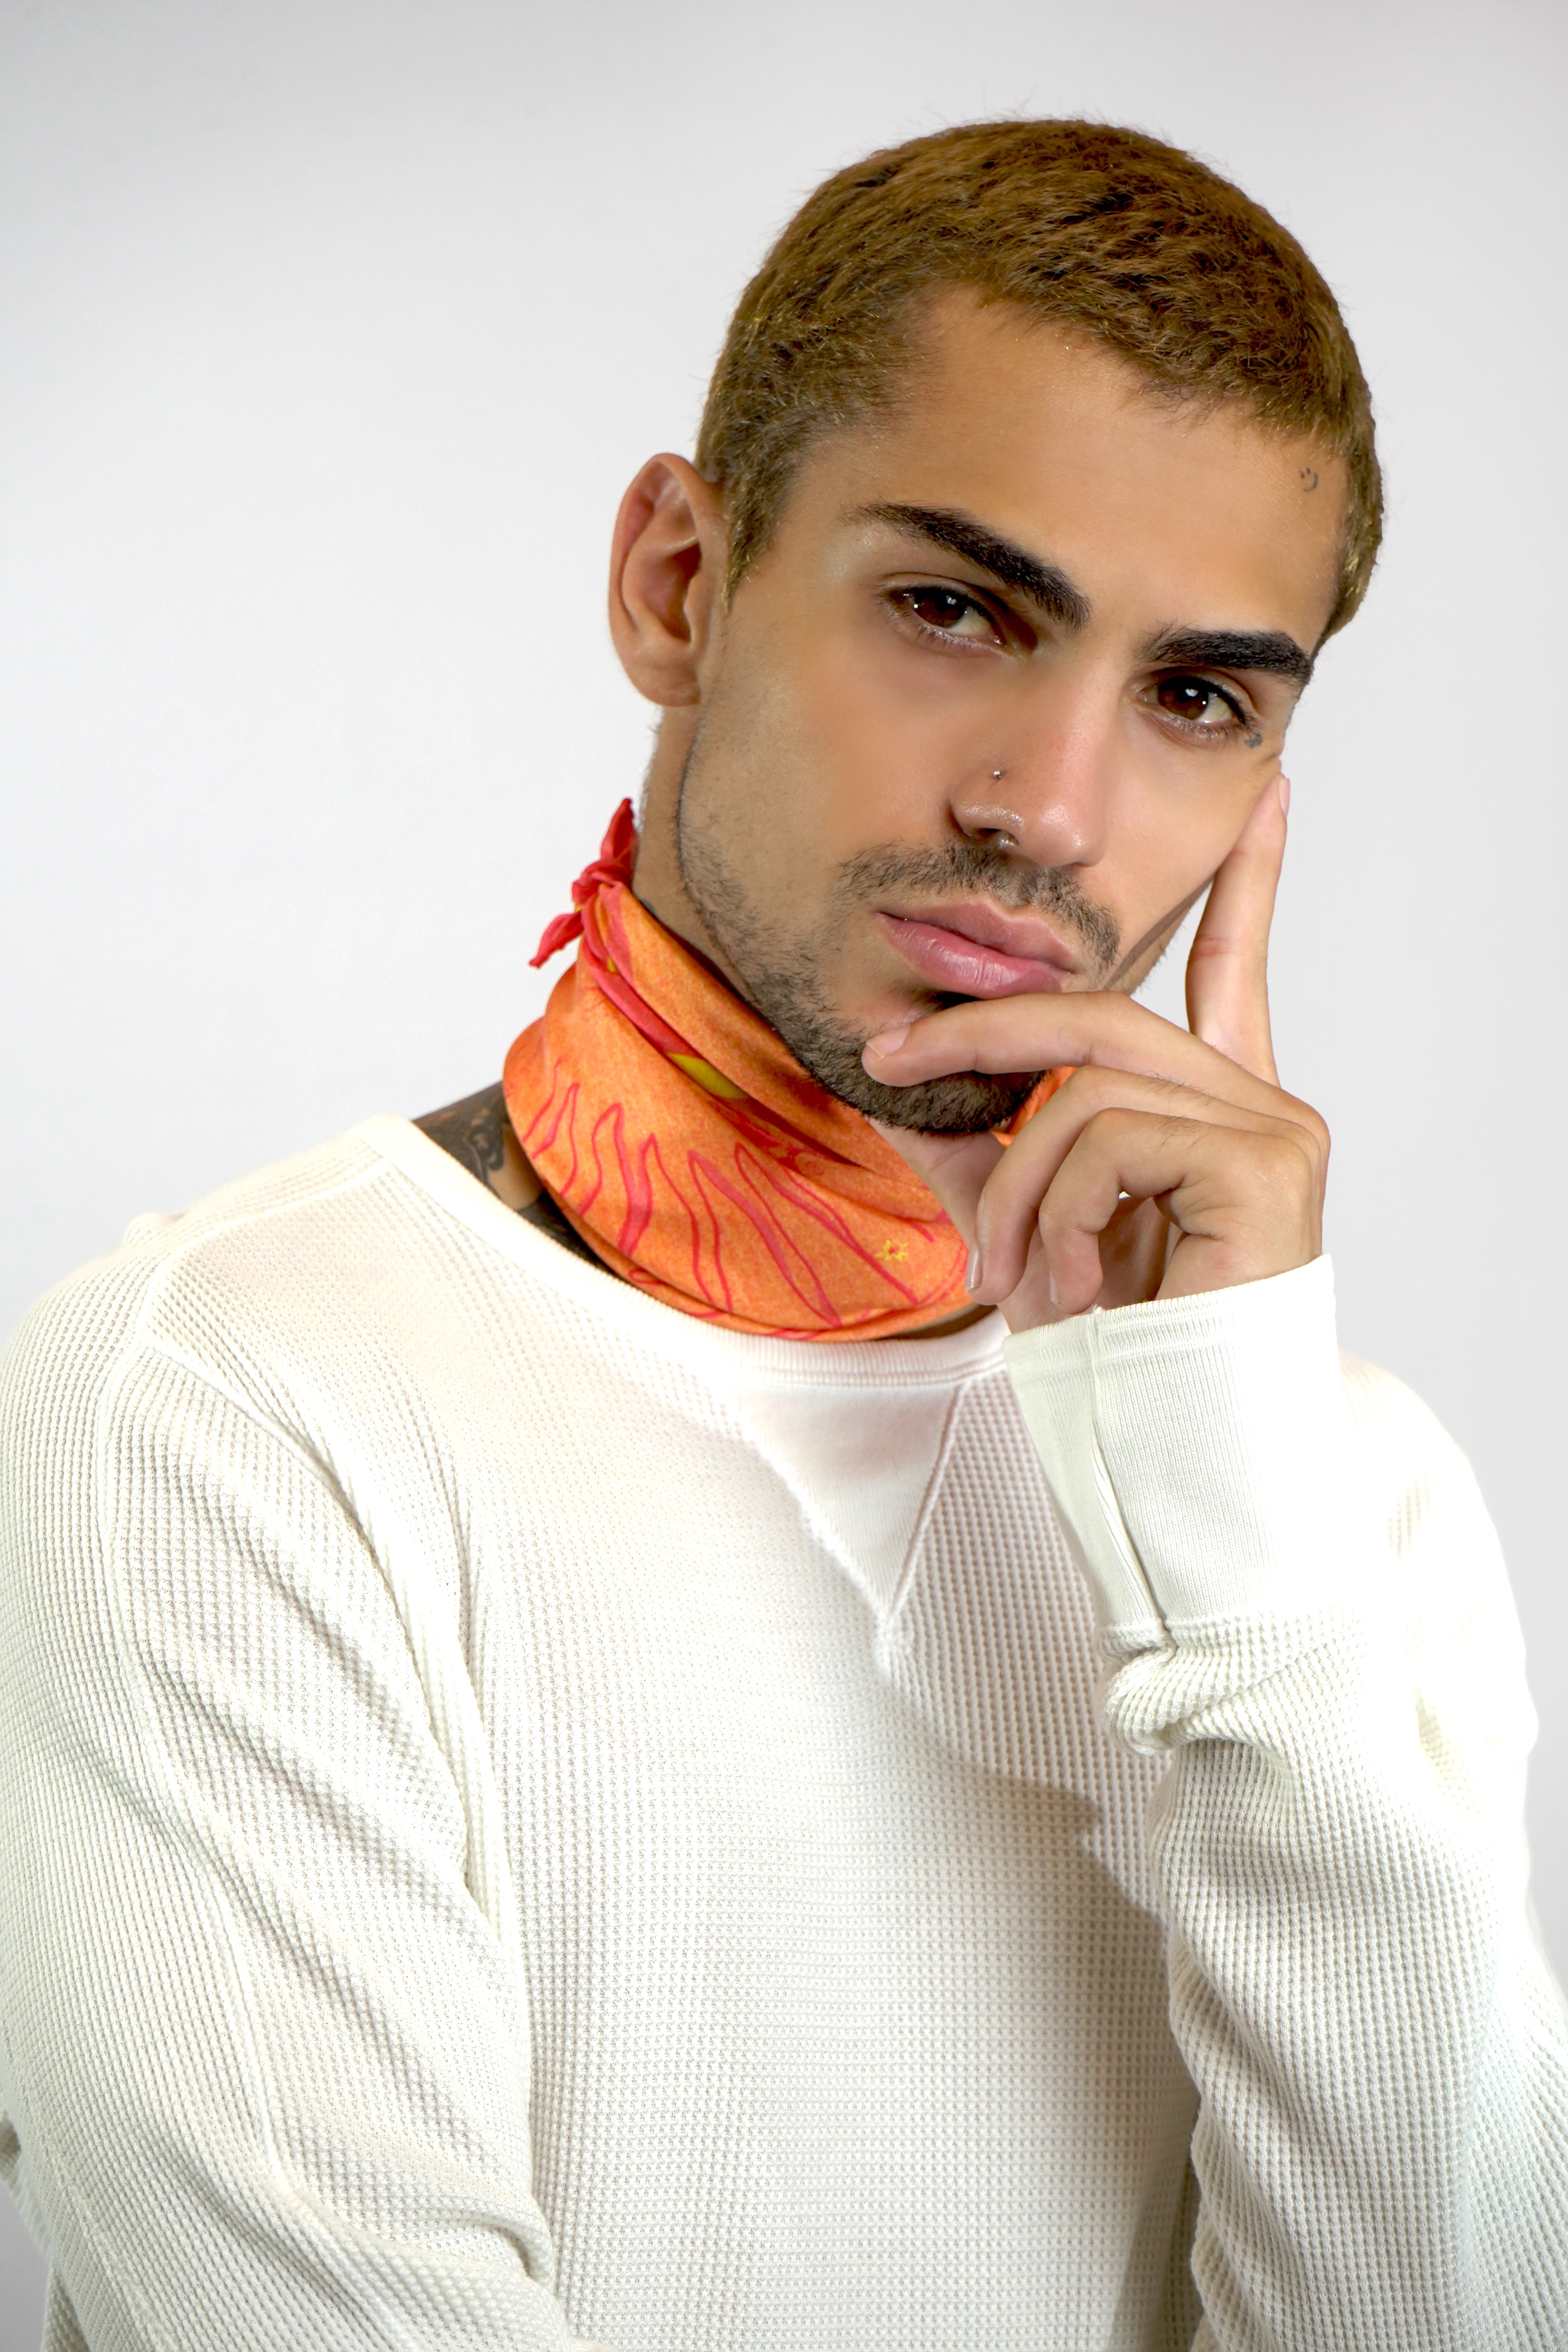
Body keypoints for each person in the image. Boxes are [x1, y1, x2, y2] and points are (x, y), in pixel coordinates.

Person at [0, 116, 1563, 2352]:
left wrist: (1232, 1516)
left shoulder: (1342, 1502)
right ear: (678, 583)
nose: (1049, 806)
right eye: (952, 608)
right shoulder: (226, 1400)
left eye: (1194, 695)